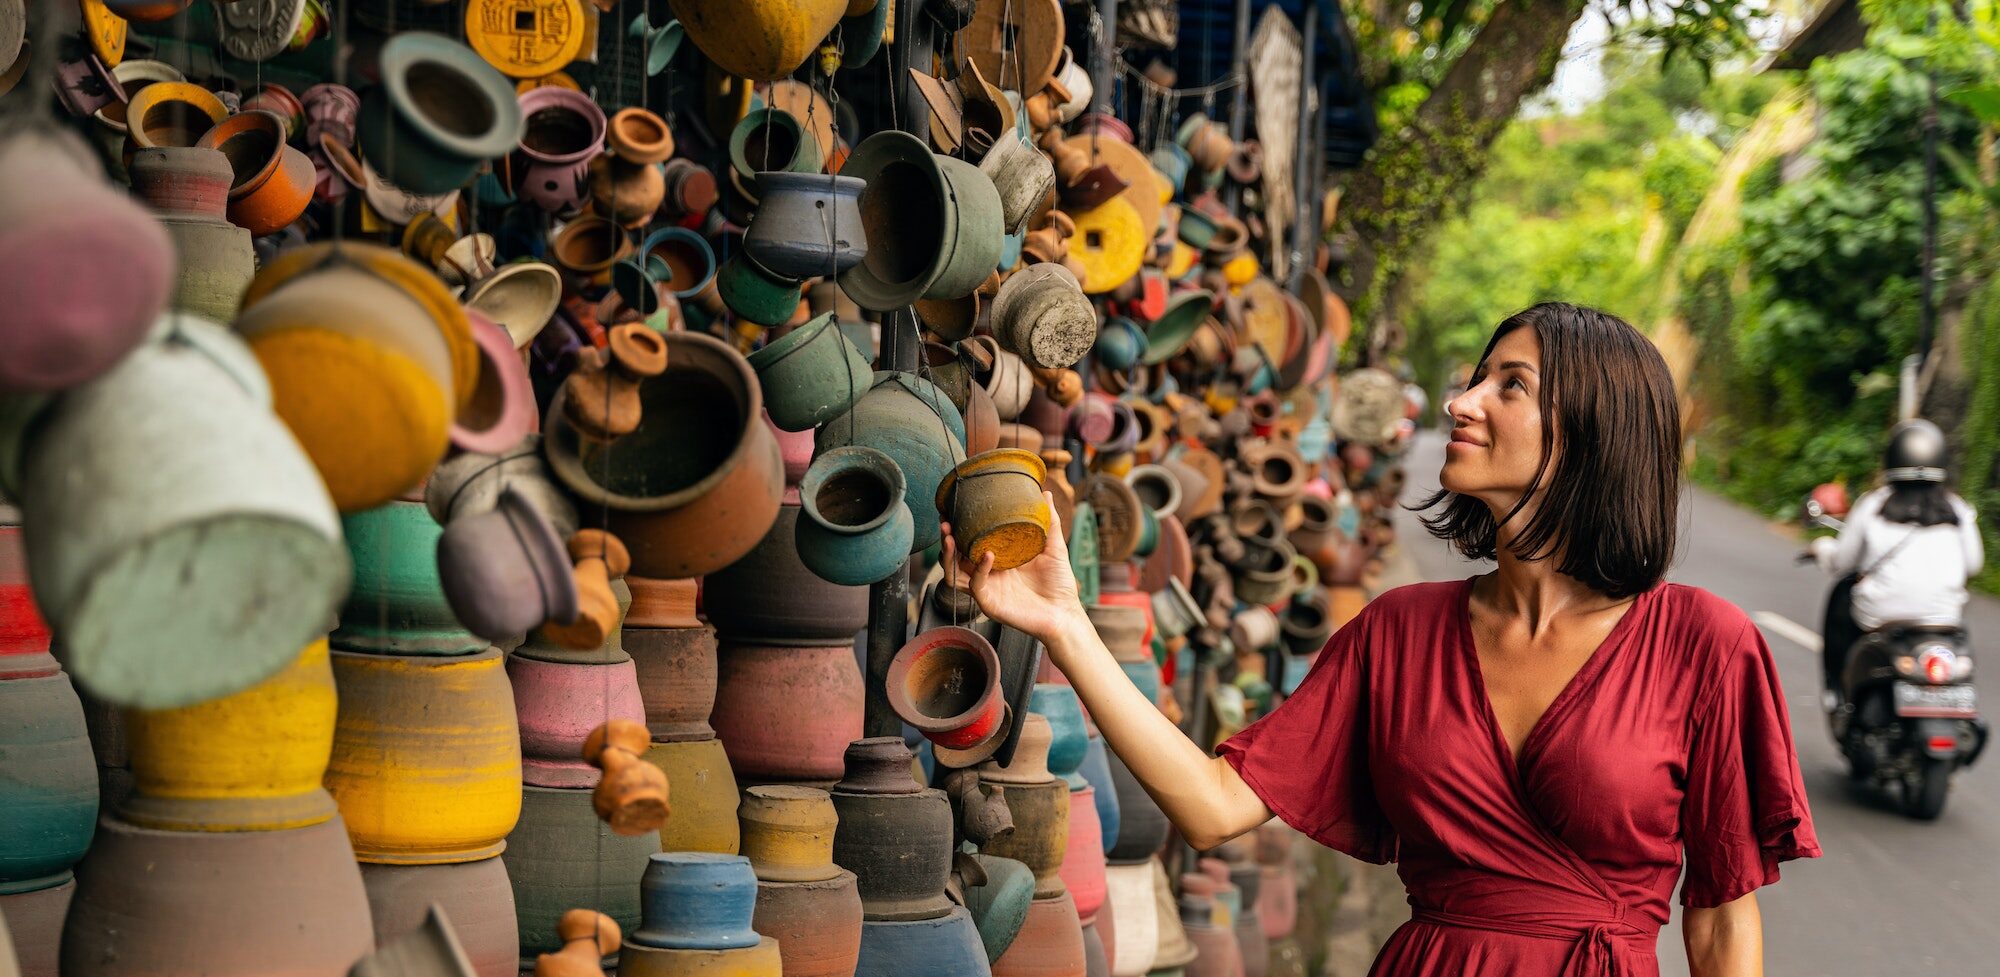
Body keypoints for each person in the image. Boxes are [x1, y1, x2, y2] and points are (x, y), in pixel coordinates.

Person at [944, 302, 1819, 977]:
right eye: (1478, 377)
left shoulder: (1704, 643)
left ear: (1591, 436)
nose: (1459, 402)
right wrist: (1065, 621)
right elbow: (1213, 806)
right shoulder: (1398, 635)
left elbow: (1722, 917)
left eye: (1508, 385)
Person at [1812, 419, 1985, 698]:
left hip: (1881, 616)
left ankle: (1840, 691)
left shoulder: (1874, 504)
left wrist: (1822, 548)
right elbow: (1974, 564)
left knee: (1843, 603)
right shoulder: (1957, 508)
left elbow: (1843, 563)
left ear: (1893, 458)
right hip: (1945, 618)